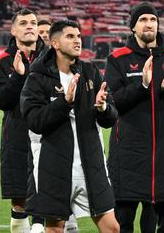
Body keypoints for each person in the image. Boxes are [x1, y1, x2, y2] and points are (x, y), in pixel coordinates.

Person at [20, 19, 119, 233]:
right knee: (55, 229)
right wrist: (64, 103)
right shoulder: (38, 77)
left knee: (112, 228)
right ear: (55, 43)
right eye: (70, 36)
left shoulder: (90, 72)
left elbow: (111, 118)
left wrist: (103, 108)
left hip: (90, 165)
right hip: (53, 165)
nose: (77, 40)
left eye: (78, 36)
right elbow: (34, 120)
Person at [104, 3, 164, 232]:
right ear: (133, 27)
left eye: (153, 19)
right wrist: (142, 85)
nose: (149, 24)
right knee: (123, 223)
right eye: (143, 19)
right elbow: (113, 103)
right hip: (128, 155)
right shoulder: (117, 59)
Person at [0, 9, 48, 233]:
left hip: (49, 136)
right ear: (13, 30)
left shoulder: (53, 58)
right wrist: (19, 76)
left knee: (48, 196)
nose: (30, 26)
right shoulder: (1, 62)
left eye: (33, 22)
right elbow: (1, 100)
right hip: (16, 138)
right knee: (19, 199)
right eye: (23, 23)